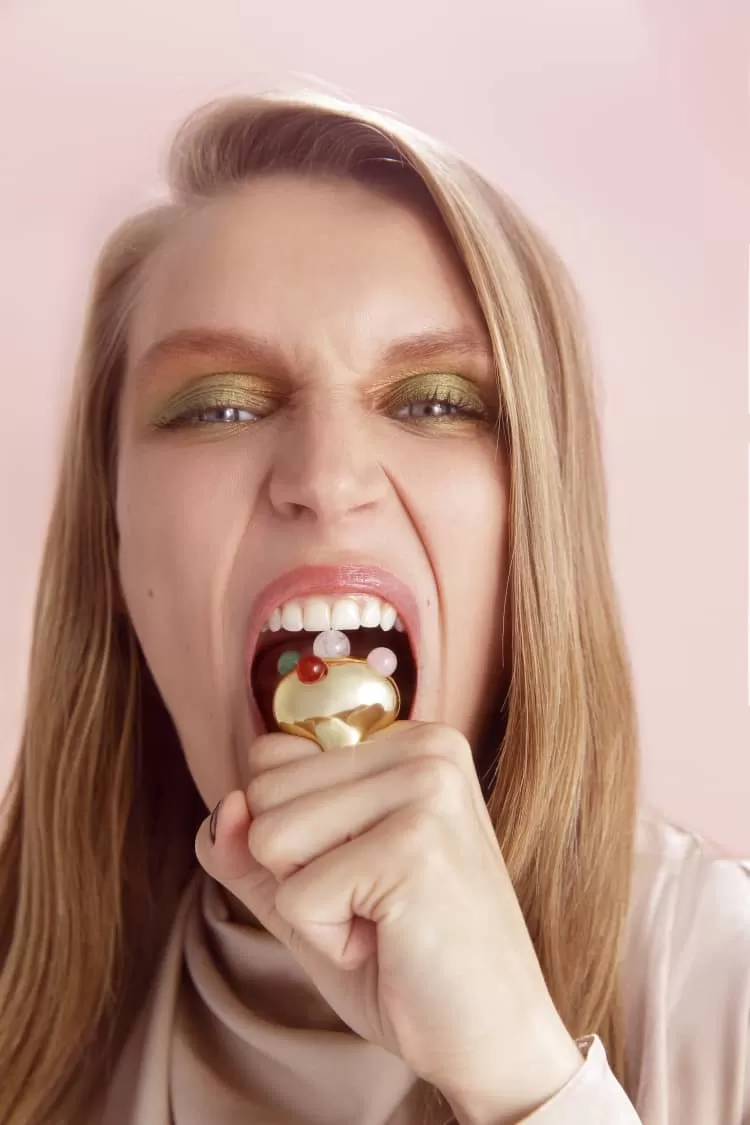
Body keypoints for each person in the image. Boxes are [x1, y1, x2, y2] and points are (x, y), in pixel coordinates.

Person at [0, 88, 747, 1125]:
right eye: (219, 404)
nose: (328, 475)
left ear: (535, 521)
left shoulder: (725, 991)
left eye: (434, 401)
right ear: (115, 534)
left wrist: (527, 1078)